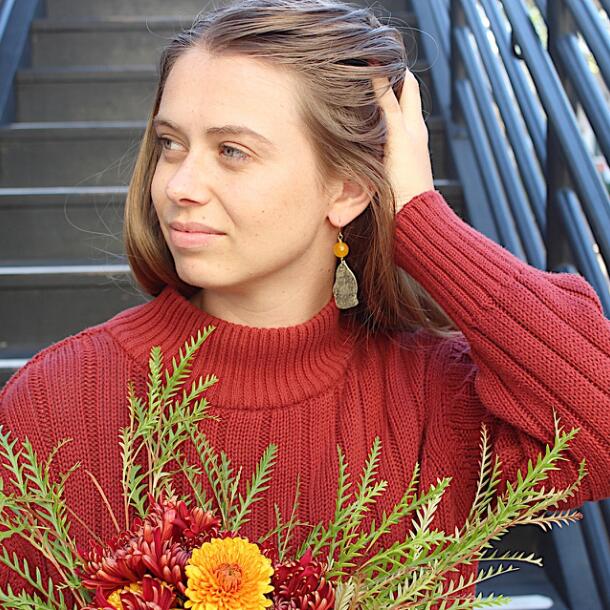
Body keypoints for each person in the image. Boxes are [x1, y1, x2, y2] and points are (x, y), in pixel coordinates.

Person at [1, 0, 609, 605]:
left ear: (346, 189)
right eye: (170, 143)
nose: (178, 186)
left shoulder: (437, 403)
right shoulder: (57, 402)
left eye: (232, 151)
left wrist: (420, 220)